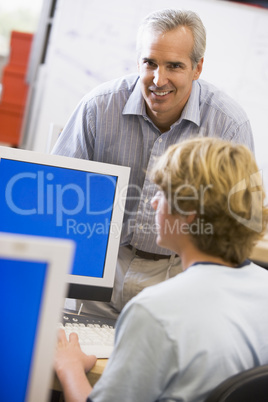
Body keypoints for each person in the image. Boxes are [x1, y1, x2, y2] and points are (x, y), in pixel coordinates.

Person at [52, 9, 255, 318]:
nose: (159, 79)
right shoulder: (98, 107)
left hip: (178, 277)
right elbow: (57, 194)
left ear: (197, 67)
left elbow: (242, 223)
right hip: (100, 266)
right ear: (138, 62)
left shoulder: (228, 126)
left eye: (174, 66)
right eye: (150, 63)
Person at [54, 137, 268, 402]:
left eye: (162, 193)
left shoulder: (154, 312)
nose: (153, 203)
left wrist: (69, 366)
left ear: (188, 209)